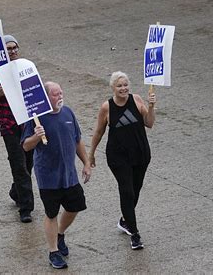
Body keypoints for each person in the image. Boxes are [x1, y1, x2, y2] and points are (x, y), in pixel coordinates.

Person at [21, 82, 91, 269]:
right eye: (55, 94)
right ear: (45, 97)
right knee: (51, 213)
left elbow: (77, 140)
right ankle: (53, 252)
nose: (60, 96)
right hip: (48, 176)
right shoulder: (36, 118)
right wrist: (36, 136)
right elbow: (26, 146)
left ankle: (59, 234)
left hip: (69, 174)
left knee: (75, 206)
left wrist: (86, 163)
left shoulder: (68, 113)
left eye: (61, 93)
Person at [88, 71, 156, 250]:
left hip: (140, 154)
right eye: (119, 86)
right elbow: (98, 132)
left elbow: (149, 123)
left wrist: (151, 106)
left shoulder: (137, 100)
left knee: (135, 190)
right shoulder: (107, 107)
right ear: (112, 88)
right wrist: (91, 154)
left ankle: (125, 220)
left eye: (125, 85)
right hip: (118, 157)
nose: (123, 88)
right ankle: (135, 234)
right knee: (127, 192)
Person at [0, 35, 34, 223]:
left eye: (14, 47)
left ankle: (16, 191)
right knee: (18, 165)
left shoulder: (26, 67)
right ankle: (26, 209)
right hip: (9, 125)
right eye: (8, 48)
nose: (12, 51)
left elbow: (36, 92)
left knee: (28, 163)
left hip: (28, 124)